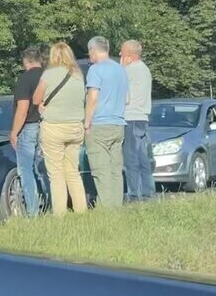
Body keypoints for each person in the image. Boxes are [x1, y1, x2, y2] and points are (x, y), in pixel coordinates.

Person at [31, 42, 88, 216]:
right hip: (76, 127)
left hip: (54, 127)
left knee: (56, 174)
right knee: (73, 172)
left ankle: (59, 214)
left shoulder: (49, 74)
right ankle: (81, 211)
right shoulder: (78, 75)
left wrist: (42, 105)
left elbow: (35, 98)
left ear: (53, 56)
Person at [84, 36, 128, 208]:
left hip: (100, 125)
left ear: (94, 50)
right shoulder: (120, 69)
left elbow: (92, 98)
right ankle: (116, 206)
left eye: (89, 52)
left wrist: (87, 123)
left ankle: (105, 209)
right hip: (118, 123)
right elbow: (127, 99)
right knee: (115, 170)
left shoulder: (95, 70)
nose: (89, 56)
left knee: (101, 170)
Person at [8, 47, 45, 217]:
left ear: (26, 61)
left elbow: (23, 108)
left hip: (28, 127)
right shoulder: (48, 77)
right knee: (44, 169)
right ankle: (49, 205)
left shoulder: (25, 79)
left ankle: (32, 211)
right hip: (46, 126)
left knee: (26, 170)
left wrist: (14, 132)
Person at [120, 40, 154, 202]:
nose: (120, 54)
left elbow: (118, 86)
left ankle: (134, 195)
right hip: (142, 118)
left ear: (130, 55)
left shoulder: (129, 70)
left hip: (131, 118)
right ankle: (148, 193)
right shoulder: (145, 69)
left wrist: (122, 67)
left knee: (131, 159)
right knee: (142, 158)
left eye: (122, 52)